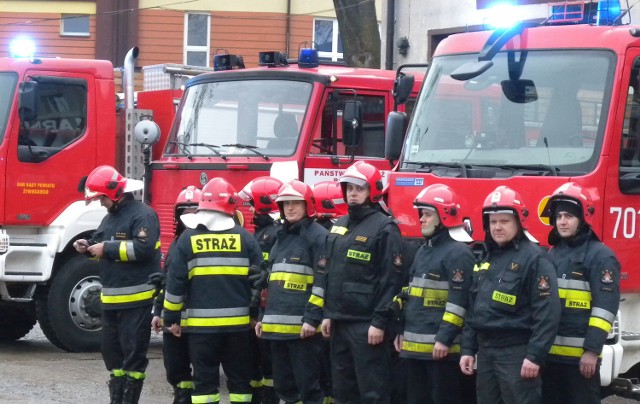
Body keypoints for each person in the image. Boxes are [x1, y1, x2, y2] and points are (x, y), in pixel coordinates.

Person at [162, 177, 266, 404]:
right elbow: (257, 284)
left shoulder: (188, 239)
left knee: (204, 384)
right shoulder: (246, 239)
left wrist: (171, 318)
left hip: (201, 331)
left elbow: (175, 283)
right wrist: (253, 316)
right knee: (240, 382)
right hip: (238, 329)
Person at [459, 185, 561, 404]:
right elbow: (474, 307)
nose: (497, 227)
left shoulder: (536, 259)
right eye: (493, 222)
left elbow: (548, 313)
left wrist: (534, 356)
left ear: (519, 221)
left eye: (504, 221)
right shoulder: (486, 258)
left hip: (517, 353)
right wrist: (468, 349)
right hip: (486, 351)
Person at [74, 165, 161, 404]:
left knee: (133, 356)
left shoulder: (143, 215)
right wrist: (87, 247)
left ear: (112, 194)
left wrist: (107, 249)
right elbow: (100, 244)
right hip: (111, 300)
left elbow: (143, 249)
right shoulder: (110, 218)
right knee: (112, 355)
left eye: (101, 198)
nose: (100, 203)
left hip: (136, 299)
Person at [321, 161, 405, 403]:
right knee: (343, 390)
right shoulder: (339, 225)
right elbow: (330, 274)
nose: (353, 194)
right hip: (339, 322)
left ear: (372, 190)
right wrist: (328, 314)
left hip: (367, 326)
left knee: (372, 391)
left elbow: (391, 280)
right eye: (349, 188)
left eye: (359, 188)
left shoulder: (385, 228)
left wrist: (379, 322)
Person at [539, 182, 620, 404]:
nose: (562, 222)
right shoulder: (551, 254)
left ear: (583, 218)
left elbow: (605, 308)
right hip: (550, 358)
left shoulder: (601, 256)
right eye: (558, 216)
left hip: (580, 360)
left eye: (568, 216)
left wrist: (592, 351)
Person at [394, 184, 475, 404]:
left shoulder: (459, 253)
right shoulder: (423, 250)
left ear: (444, 217)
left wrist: (444, 339)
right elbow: (410, 294)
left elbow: (459, 303)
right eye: (421, 214)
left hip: (441, 351)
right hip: (414, 347)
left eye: (427, 215)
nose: (421, 219)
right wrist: (400, 329)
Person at [256, 179, 328, 404]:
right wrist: (262, 317)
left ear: (308, 204)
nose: (290, 208)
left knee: (308, 388)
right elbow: (271, 281)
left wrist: (312, 319)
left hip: (303, 330)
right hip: (275, 327)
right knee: (284, 387)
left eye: (296, 202)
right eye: (285, 203)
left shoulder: (318, 237)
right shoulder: (281, 236)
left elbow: (322, 281)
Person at [150, 185, 201, 404]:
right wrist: (158, 311)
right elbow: (169, 281)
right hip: (173, 319)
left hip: (198, 321)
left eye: (193, 211)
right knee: (174, 368)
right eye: (184, 212)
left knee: (202, 371)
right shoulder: (176, 244)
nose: (188, 217)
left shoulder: (202, 242)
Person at [238, 176, 283, 404]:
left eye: (253, 203)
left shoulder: (273, 234)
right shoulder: (262, 231)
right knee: (255, 364)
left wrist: (255, 313)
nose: (251, 209)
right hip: (257, 309)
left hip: (264, 309)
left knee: (267, 366)